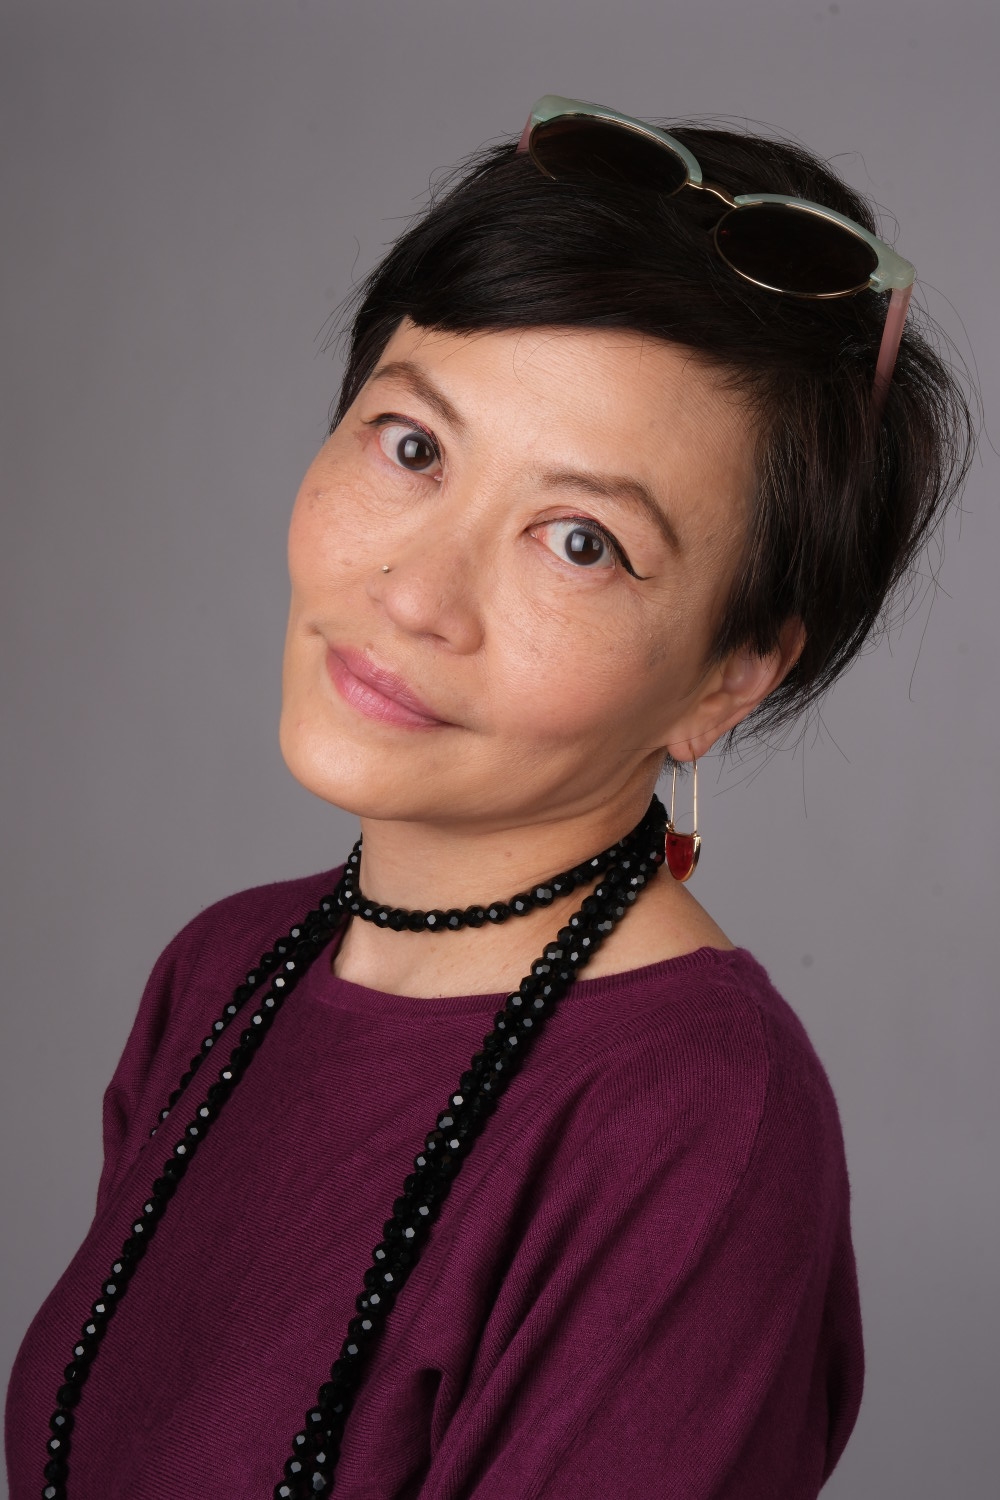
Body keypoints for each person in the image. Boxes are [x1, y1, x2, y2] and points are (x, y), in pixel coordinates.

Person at [5, 96, 974, 1500]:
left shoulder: (695, 1124)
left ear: (731, 675)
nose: (415, 593)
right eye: (412, 446)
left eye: (579, 541)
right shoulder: (223, 974)